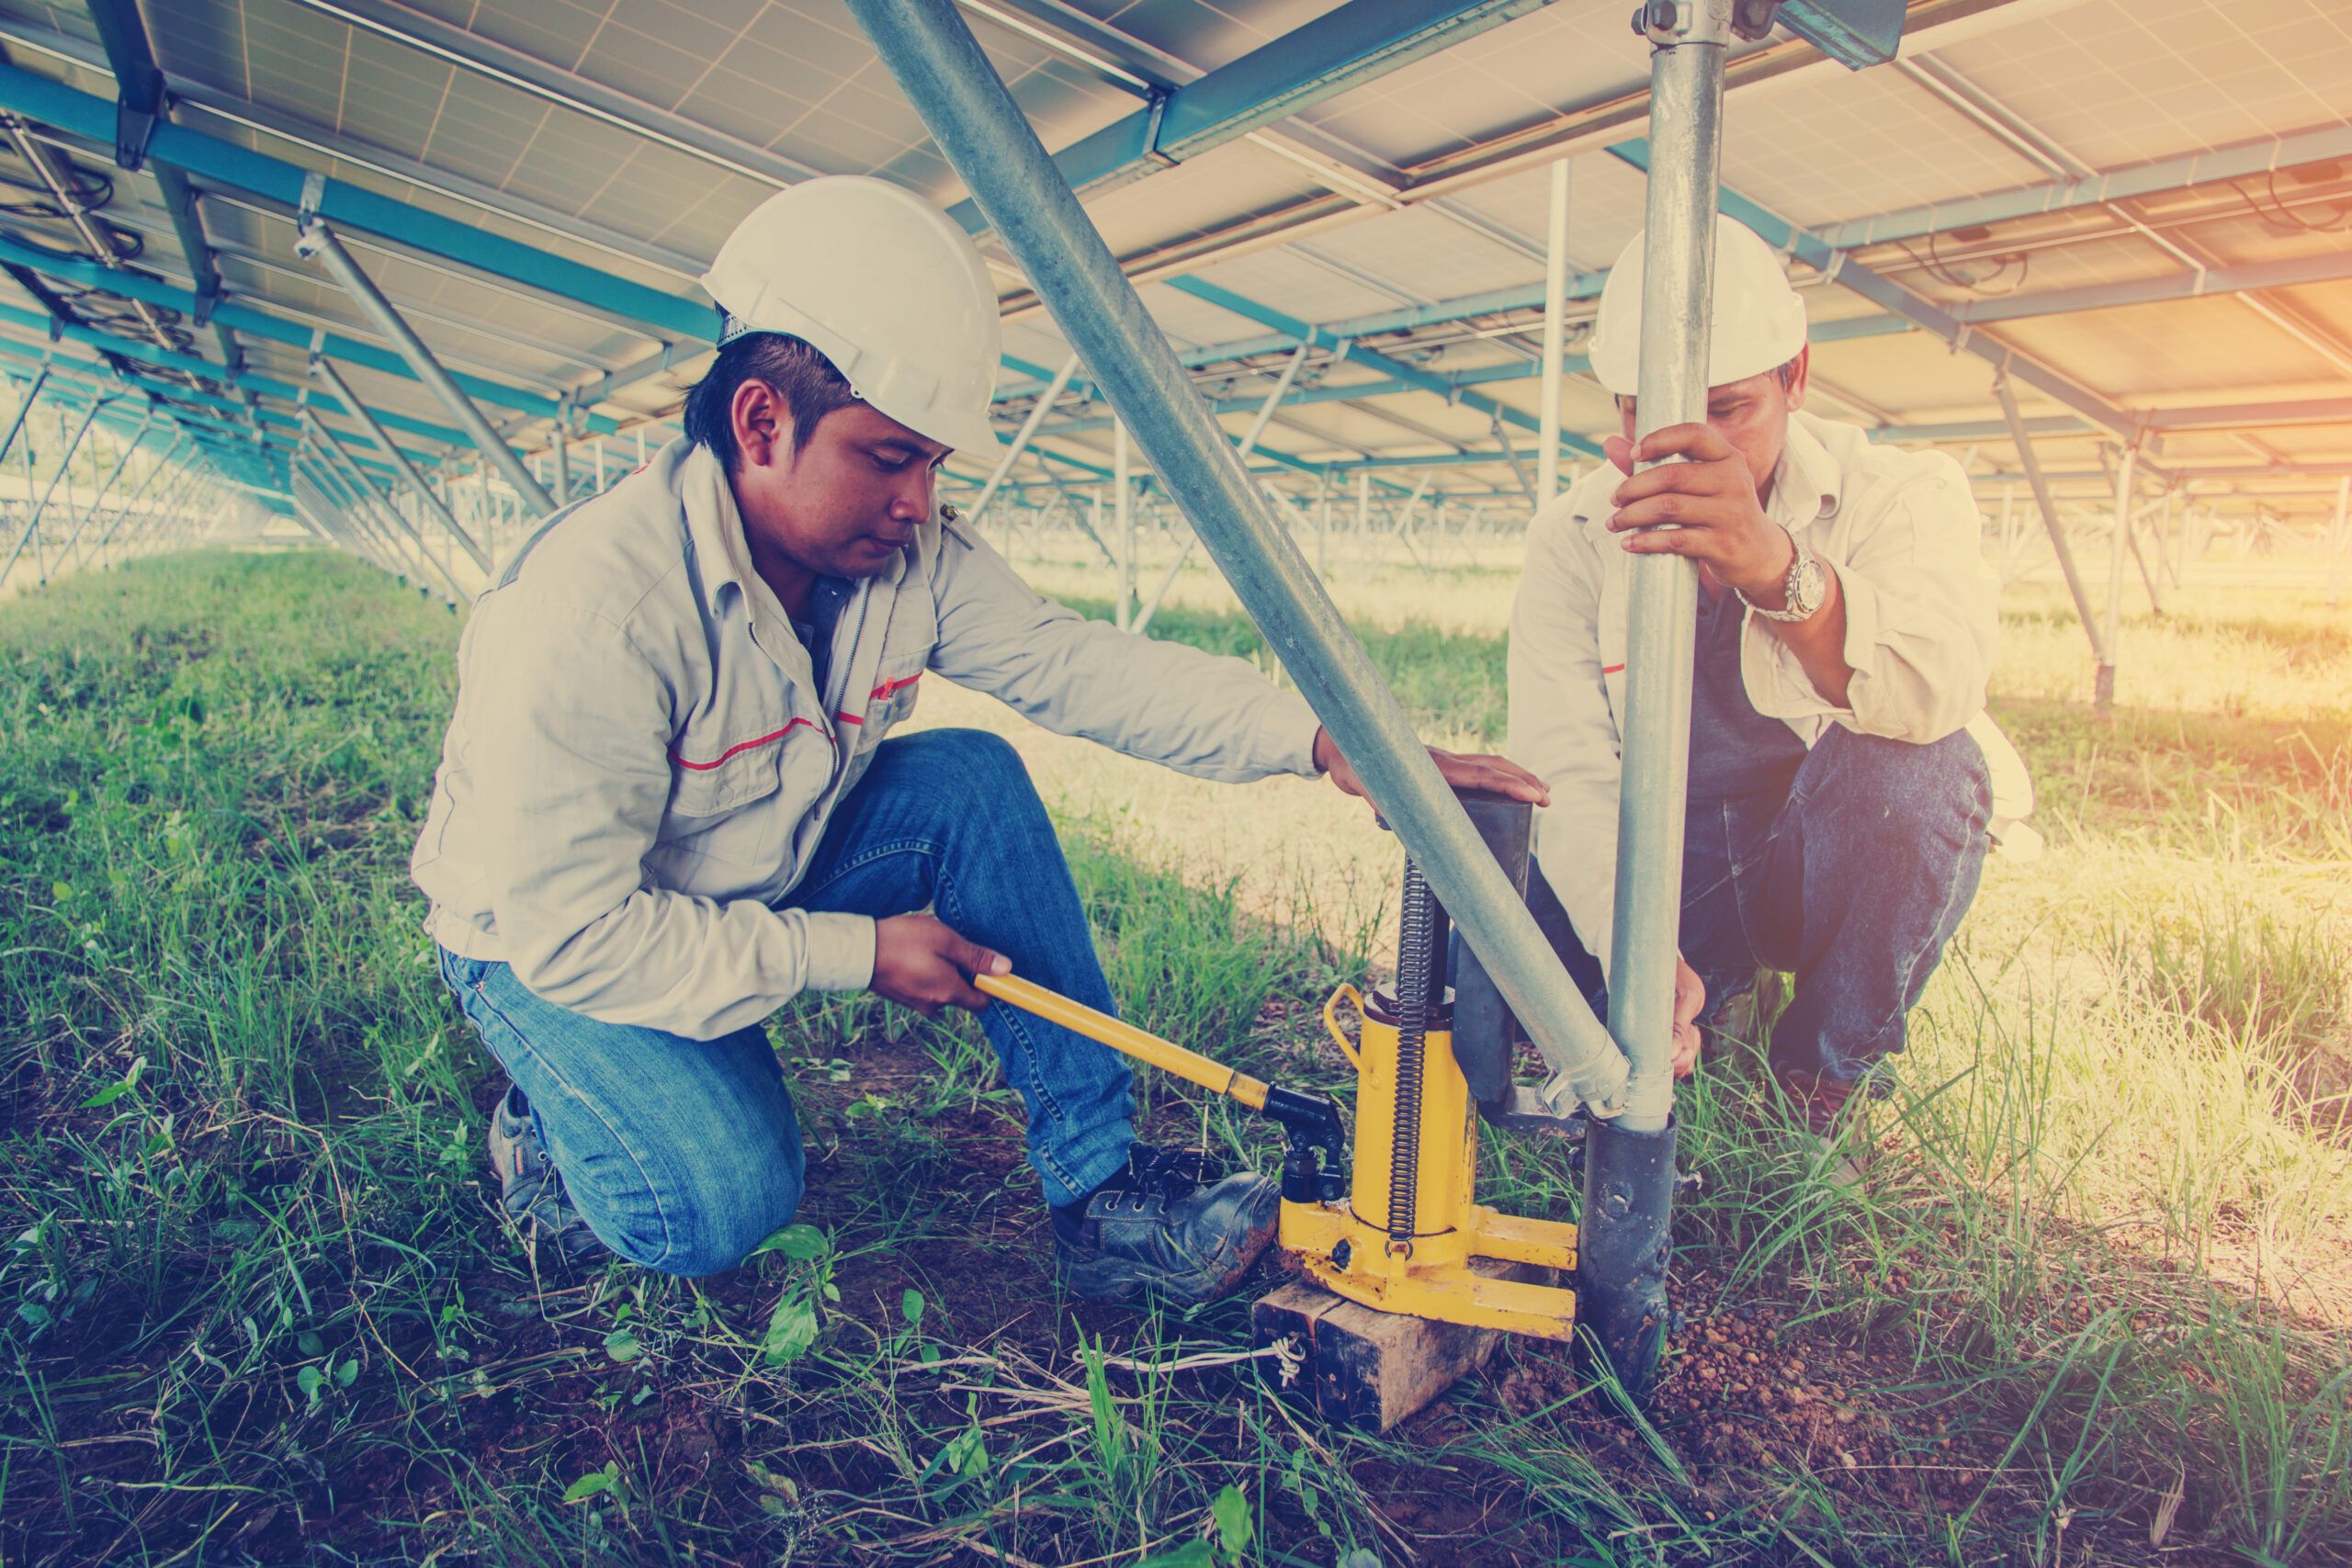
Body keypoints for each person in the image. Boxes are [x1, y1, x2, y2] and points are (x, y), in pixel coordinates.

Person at [413, 175, 1545, 1302]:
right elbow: (576, 933)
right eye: (889, 457)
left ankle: (1103, 1196)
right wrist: (855, 953)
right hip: (552, 943)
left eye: (934, 466)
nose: (919, 501)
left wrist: (1322, 740)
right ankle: (553, 1114)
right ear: (762, 420)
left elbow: (1075, 665)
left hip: (751, 865)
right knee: (716, 1204)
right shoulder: (596, 615)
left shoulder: (912, 561)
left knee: (967, 781)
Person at [1508, 214, 2018, 1139]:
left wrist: (1774, 568)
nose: (1688, 446)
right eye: (1644, 412)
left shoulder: (1899, 492)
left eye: (1728, 407)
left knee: (1925, 770)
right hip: (1667, 860)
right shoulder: (1572, 536)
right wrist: (1632, 948)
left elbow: (1936, 688)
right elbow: (1566, 769)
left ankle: (1819, 1083)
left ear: (1797, 378)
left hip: (1810, 857)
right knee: (1494, 966)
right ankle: (1701, 995)